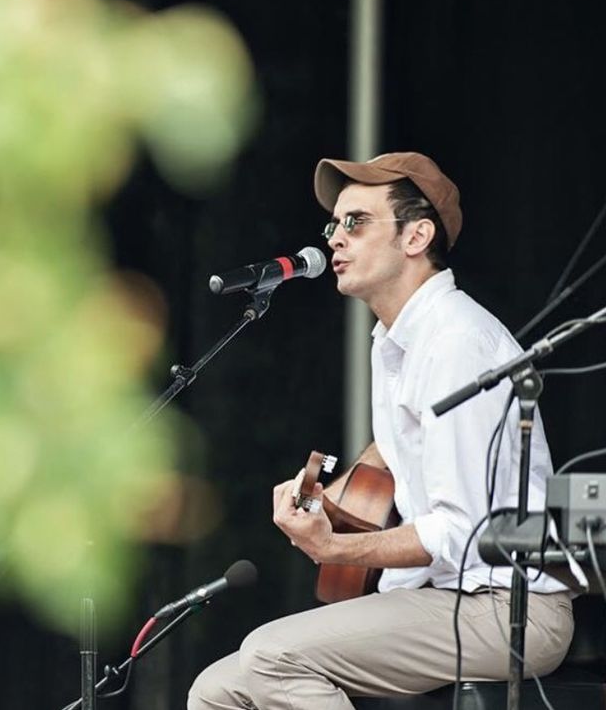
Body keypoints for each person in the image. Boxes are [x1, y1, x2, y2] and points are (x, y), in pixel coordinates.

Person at [187, 152, 574, 709]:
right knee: (217, 691)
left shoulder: (456, 343)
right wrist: (336, 493)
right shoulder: (394, 340)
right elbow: (404, 446)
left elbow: (462, 532)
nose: (333, 240)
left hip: (508, 606)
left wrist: (338, 545)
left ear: (416, 236)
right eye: (333, 225)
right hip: (447, 596)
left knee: (271, 656)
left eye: (356, 222)